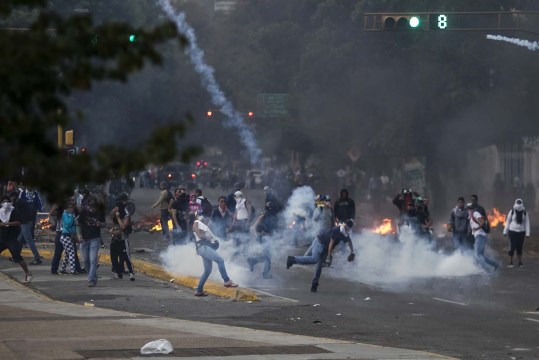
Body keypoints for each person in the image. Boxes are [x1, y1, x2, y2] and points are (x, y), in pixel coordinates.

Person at [287, 220, 355, 293]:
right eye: (346, 227)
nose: (347, 228)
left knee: (319, 265)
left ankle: (314, 284)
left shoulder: (345, 233)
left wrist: (352, 252)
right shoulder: (337, 230)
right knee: (314, 259)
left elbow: (349, 241)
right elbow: (331, 244)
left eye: (348, 228)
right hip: (320, 242)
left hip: (326, 247)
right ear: (345, 225)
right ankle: (292, 259)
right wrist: (329, 255)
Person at [192, 210, 238, 297]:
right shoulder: (196, 222)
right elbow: (199, 235)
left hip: (204, 248)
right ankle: (227, 281)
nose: (204, 217)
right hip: (203, 247)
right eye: (202, 215)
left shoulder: (202, 224)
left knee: (207, 270)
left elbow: (202, 233)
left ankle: (199, 290)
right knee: (220, 260)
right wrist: (207, 238)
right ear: (197, 216)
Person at [0, 195, 33, 282]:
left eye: (7, 201)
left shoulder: (13, 211)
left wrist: (8, 223)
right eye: (3, 202)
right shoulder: (0, 212)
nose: (5, 203)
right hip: (2, 238)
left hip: (12, 238)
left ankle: (28, 273)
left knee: (17, 257)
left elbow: (18, 222)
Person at [247, 201, 279, 279]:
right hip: (264, 238)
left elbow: (274, 228)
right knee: (267, 256)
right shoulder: (263, 215)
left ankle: (252, 261)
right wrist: (257, 235)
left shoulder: (273, 216)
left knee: (266, 256)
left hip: (268, 238)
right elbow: (254, 226)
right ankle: (265, 273)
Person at [78, 195, 105, 287]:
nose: (92, 209)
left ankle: (90, 279)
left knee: (93, 259)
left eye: (94, 207)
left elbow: (104, 224)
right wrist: (79, 234)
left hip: (95, 238)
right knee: (85, 260)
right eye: (91, 207)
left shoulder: (100, 212)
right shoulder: (84, 211)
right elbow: (79, 223)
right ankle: (93, 276)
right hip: (84, 239)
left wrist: (99, 224)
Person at [11, 190, 42, 264]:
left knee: (29, 241)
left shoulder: (18, 203)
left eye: (11, 197)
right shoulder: (20, 201)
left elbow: (15, 212)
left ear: (14, 197)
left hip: (25, 222)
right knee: (20, 240)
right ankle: (16, 257)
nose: (11, 199)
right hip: (26, 222)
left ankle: (37, 258)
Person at [467, 203, 498, 273]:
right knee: (481, 256)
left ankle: (488, 270)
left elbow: (482, 221)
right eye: (468, 208)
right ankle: (496, 265)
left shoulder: (475, 213)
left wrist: (477, 228)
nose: (469, 210)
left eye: (470, 208)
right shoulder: (470, 216)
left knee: (478, 255)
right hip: (479, 236)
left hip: (480, 236)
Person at [110, 200, 135, 280]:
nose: (115, 209)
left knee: (125, 256)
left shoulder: (126, 216)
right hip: (115, 238)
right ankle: (117, 272)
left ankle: (131, 272)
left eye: (116, 207)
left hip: (123, 239)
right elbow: (112, 221)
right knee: (113, 257)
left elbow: (123, 226)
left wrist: (118, 217)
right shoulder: (115, 215)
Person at [503, 199, 530, 268]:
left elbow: (527, 223)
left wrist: (528, 233)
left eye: (519, 204)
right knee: (512, 247)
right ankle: (510, 262)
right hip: (512, 231)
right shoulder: (512, 211)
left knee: (519, 247)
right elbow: (508, 222)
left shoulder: (524, 212)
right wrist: (505, 231)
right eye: (517, 204)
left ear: (522, 204)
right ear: (515, 203)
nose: (518, 206)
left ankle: (520, 262)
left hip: (521, 232)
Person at [59, 200, 79, 275]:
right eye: (71, 207)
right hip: (66, 236)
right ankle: (72, 270)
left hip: (69, 236)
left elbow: (75, 224)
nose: (73, 209)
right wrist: (71, 216)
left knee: (67, 254)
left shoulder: (71, 214)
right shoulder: (65, 214)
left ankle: (62, 269)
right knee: (72, 252)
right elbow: (68, 224)